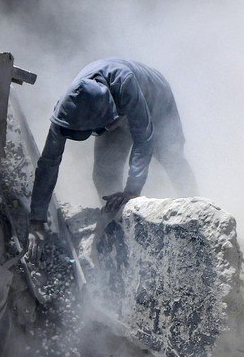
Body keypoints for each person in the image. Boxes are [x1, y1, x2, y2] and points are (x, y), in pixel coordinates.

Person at [27, 58, 198, 260]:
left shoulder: (125, 83)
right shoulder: (65, 109)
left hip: (155, 101)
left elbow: (144, 138)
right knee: (104, 173)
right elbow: (49, 162)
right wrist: (36, 221)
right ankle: (116, 223)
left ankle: (195, 217)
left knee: (171, 156)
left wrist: (131, 190)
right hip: (113, 112)